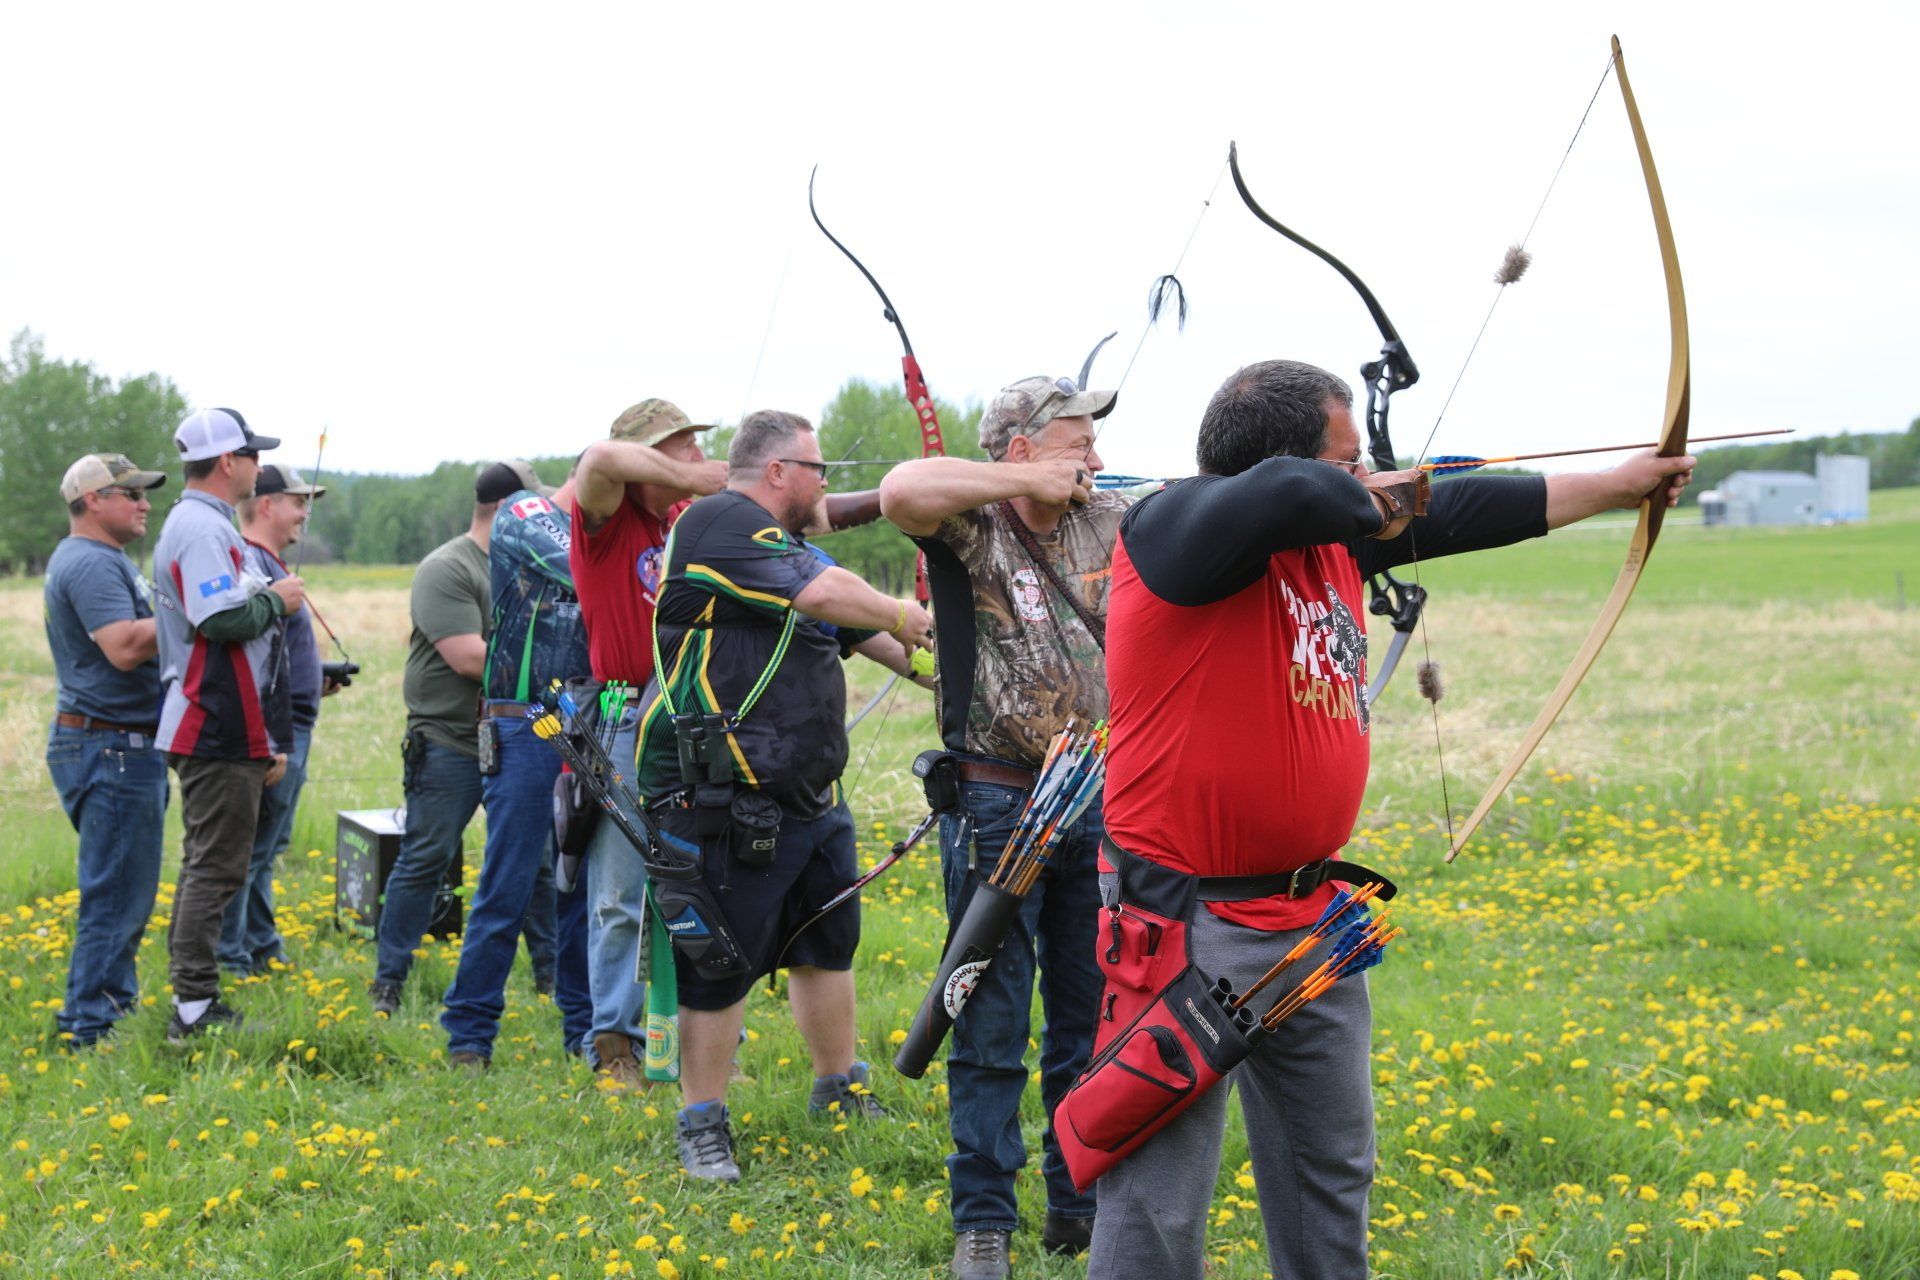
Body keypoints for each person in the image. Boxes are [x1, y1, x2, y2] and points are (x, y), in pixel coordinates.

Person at [1086, 359, 1696, 1280]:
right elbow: (1294, 489)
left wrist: (1619, 485)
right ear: (1290, 469)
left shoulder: (1332, 543)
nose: (1365, 472)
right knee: (1158, 1190)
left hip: (1308, 918)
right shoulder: (1174, 532)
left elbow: (1473, 512)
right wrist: (1365, 493)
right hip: (1181, 917)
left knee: (1331, 1166)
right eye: (1349, 457)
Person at [634, 409, 933, 1183]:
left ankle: (838, 1089)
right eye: (817, 468)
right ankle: (701, 1122)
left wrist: (946, 668)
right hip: (721, 791)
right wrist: (908, 610)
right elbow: (835, 595)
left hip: (805, 791)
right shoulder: (718, 523)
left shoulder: (788, 560)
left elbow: (872, 640)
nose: (824, 482)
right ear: (777, 473)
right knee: (718, 959)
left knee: (825, 944)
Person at [878, 374, 1121, 1278]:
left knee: (1088, 1018)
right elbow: (904, 489)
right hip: (995, 798)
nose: (1092, 456)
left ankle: (1077, 1203)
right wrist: (1023, 487)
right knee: (987, 1015)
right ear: (1019, 449)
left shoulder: (1111, 516)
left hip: (1096, 793)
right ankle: (984, 1219)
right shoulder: (971, 521)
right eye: (1075, 439)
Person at [567, 399, 728, 1087]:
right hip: (628, 710)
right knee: (621, 892)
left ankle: (701, 1045)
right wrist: (698, 478)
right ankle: (616, 1046)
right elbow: (601, 460)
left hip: (692, 714)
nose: (694, 458)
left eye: (696, 446)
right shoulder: (606, 516)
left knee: (704, 881)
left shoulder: (681, 525)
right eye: (679, 447)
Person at [373, 461, 558, 1017]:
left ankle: (551, 976)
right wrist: (557, 670)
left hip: (518, 734)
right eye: (531, 509)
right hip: (451, 738)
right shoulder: (446, 568)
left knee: (538, 863)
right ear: (506, 510)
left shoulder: (526, 567)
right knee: (426, 856)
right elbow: (469, 656)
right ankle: (389, 980)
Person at [440, 461, 595, 1067]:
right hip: (526, 718)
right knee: (506, 885)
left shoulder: (618, 534)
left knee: (579, 886)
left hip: (589, 717)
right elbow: (579, 570)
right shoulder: (529, 513)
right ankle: (470, 1036)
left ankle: (584, 1032)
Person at [152, 408, 299, 1042]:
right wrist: (279, 600)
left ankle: (195, 997)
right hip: (214, 724)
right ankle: (193, 1007)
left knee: (210, 865)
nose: (259, 468)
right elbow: (218, 621)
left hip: (217, 722)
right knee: (215, 867)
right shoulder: (201, 528)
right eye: (253, 456)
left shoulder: (202, 523)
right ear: (227, 463)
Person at [44, 453, 171, 1049]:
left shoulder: (103, 558)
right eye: (130, 493)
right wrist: (192, 607)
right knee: (116, 896)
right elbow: (123, 647)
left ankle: (106, 1011)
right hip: (110, 747)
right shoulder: (91, 563)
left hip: (112, 745)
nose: (144, 502)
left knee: (124, 892)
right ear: (93, 500)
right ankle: (90, 1028)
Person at [218, 464, 338, 975]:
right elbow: (251, 660)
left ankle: (262, 947)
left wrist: (315, 681)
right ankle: (232, 958)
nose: (304, 514)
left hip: (290, 726)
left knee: (265, 848)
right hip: (276, 734)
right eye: (296, 502)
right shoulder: (254, 567)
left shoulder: (268, 564)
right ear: (266, 505)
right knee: (248, 850)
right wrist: (272, 734)